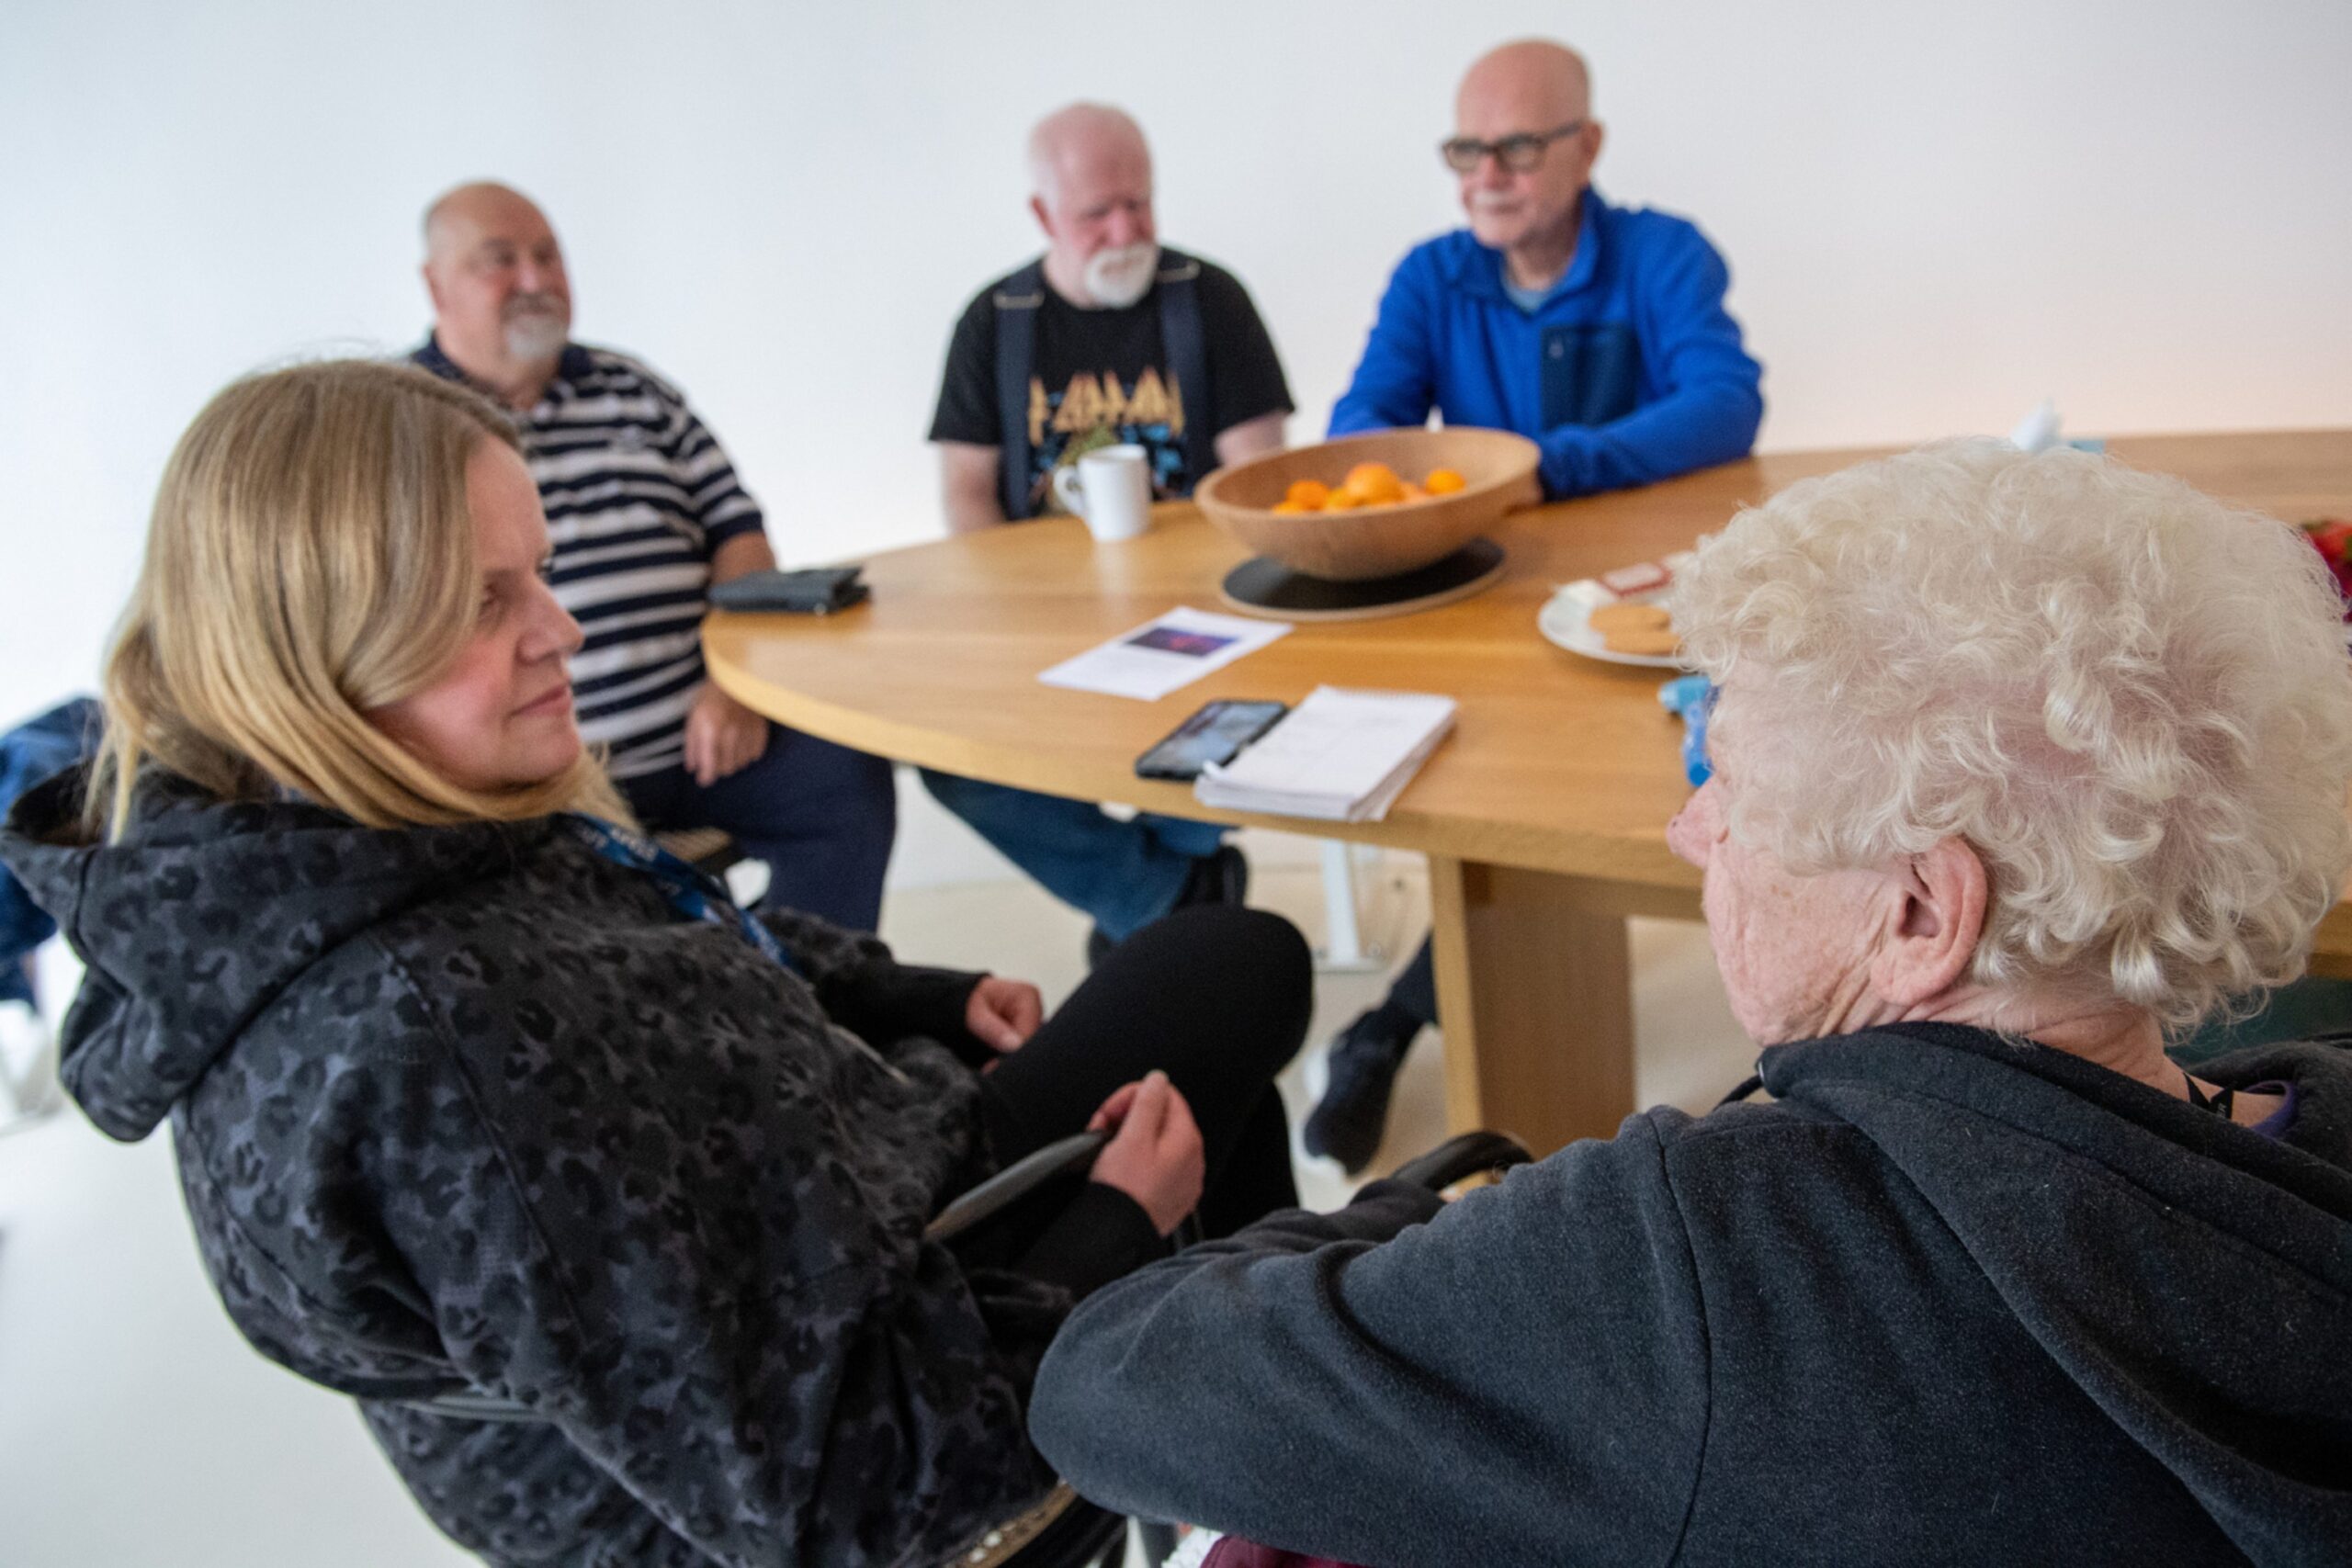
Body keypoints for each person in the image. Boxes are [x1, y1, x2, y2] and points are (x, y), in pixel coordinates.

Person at [0, 360, 1312, 1566]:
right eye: (483, 601)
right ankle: (1268, 1455)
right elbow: (865, 1495)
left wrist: (895, 988)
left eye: (541, 571)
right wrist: (1109, 1228)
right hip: (909, 1373)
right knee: (1236, 995)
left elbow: (650, 939)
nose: (562, 630)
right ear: (308, 652)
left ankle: (1253, 1450)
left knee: (1223, 988)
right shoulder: (445, 1049)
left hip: (817, 1202)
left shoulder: (331, 854)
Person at [1028, 441, 2352, 1564]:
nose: (1687, 825)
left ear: (1918, 914)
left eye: (1736, 787)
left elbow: (1106, 1384)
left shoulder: (1711, 1260)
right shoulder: (2317, 1104)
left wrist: (1407, 1221)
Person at [1306, 39, 1766, 1169]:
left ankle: (1389, 1023)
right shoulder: (1430, 276)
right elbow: (1363, 431)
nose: (1486, 172)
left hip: (1635, 618)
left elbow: (1724, 404)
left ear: (1586, 147)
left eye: (1517, 144)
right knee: (1482, 814)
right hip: (1493, 611)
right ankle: (1401, 1026)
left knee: (1621, 811)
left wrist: (1527, 468)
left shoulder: (1662, 253)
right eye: (1467, 146)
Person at [413, 181, 897, 933]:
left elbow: (740, 534)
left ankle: (802, 999)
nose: (536, 279)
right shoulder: (403, 428)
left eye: (548, 255)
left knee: (847, 776)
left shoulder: (637, 390)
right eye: (499, 260)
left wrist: (733, 684)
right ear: (434, 284)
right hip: (542, 773)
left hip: (711, 734)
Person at [924, 104, 1294, 961]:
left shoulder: (1212, 299)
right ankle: (1172, 899)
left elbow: (1258, 487)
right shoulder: (994, 320)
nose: (1127, 230)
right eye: (1098, 213)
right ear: (1043, 216)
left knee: (1245, 718)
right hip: (1049, 630)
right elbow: (965, 494)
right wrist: (1021, 616)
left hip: (1208, 626)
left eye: (1141, 203)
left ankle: (1145, 914)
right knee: (950, 758)